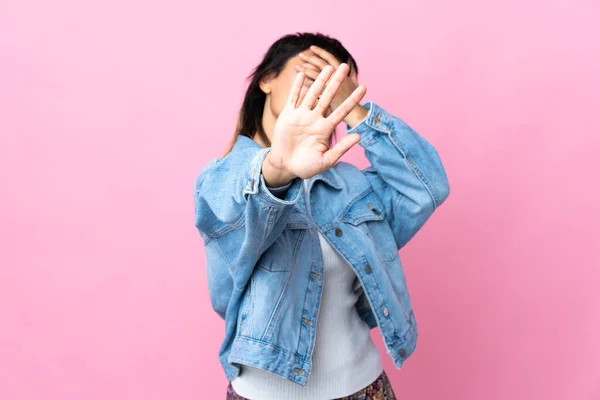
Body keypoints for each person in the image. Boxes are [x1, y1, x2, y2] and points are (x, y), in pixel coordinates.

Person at [194, 32, 450, 400]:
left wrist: (358, 110)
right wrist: (278, 168)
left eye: (335, 82)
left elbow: (426, 187)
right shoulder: (221, 179)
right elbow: (238, 206)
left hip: (365, 387)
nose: (321, 88)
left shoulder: (351, 186)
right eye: (311, 72)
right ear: (266, 80)